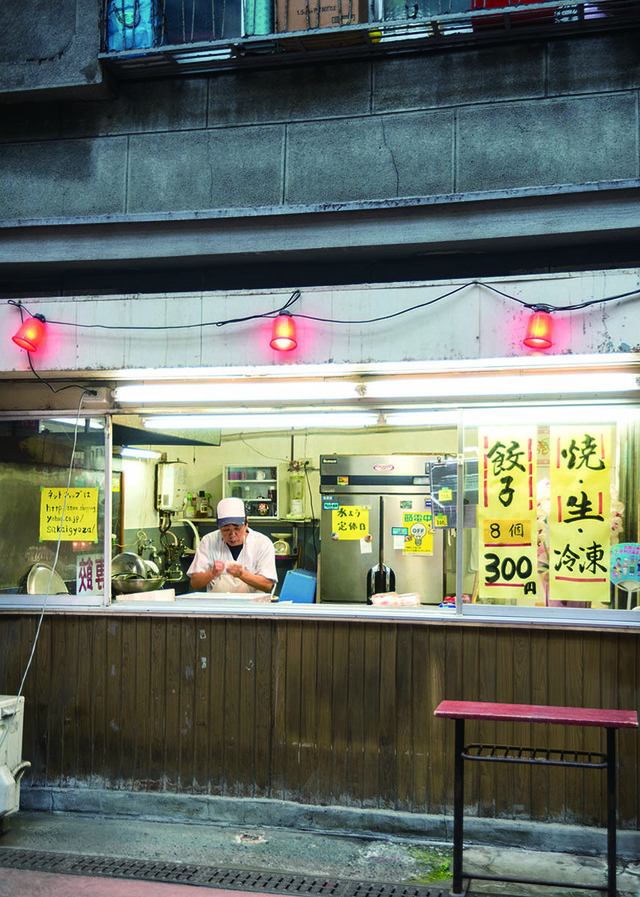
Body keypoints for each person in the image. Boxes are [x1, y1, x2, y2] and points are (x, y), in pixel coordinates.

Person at [188, 497, 277, 594]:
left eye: (237, 529)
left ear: (246, 523)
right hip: (217, 605)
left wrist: (241, 574)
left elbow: (267, 585)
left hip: (252, 606)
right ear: (218, 525)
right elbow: (195, 583)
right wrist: (211, 573)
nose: (232, 535)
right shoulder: (208, 541)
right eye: (226, 530)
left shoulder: (262, 543)